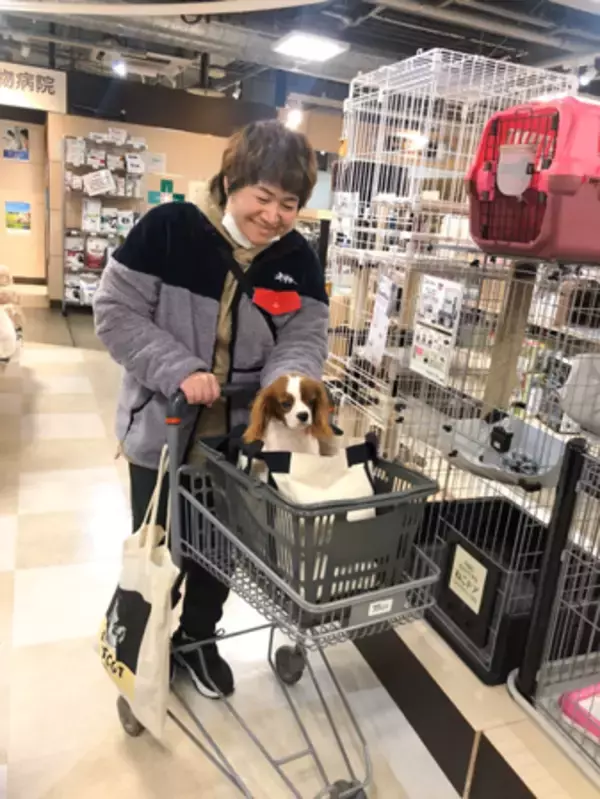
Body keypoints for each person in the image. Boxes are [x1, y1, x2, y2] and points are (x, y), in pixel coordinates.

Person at [93, 120, 329, 699]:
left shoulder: (298, 258)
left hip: (239, 439)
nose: (274, 215)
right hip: (164, 427)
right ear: (230, 182)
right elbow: (116, 312)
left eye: (289, 204)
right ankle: (146, 644)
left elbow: (304, 336)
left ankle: (197, 639)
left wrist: (284, 388)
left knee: (221, 549)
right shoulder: (168, 229)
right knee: (160, 544)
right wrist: (182, 370)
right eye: (263, 197)